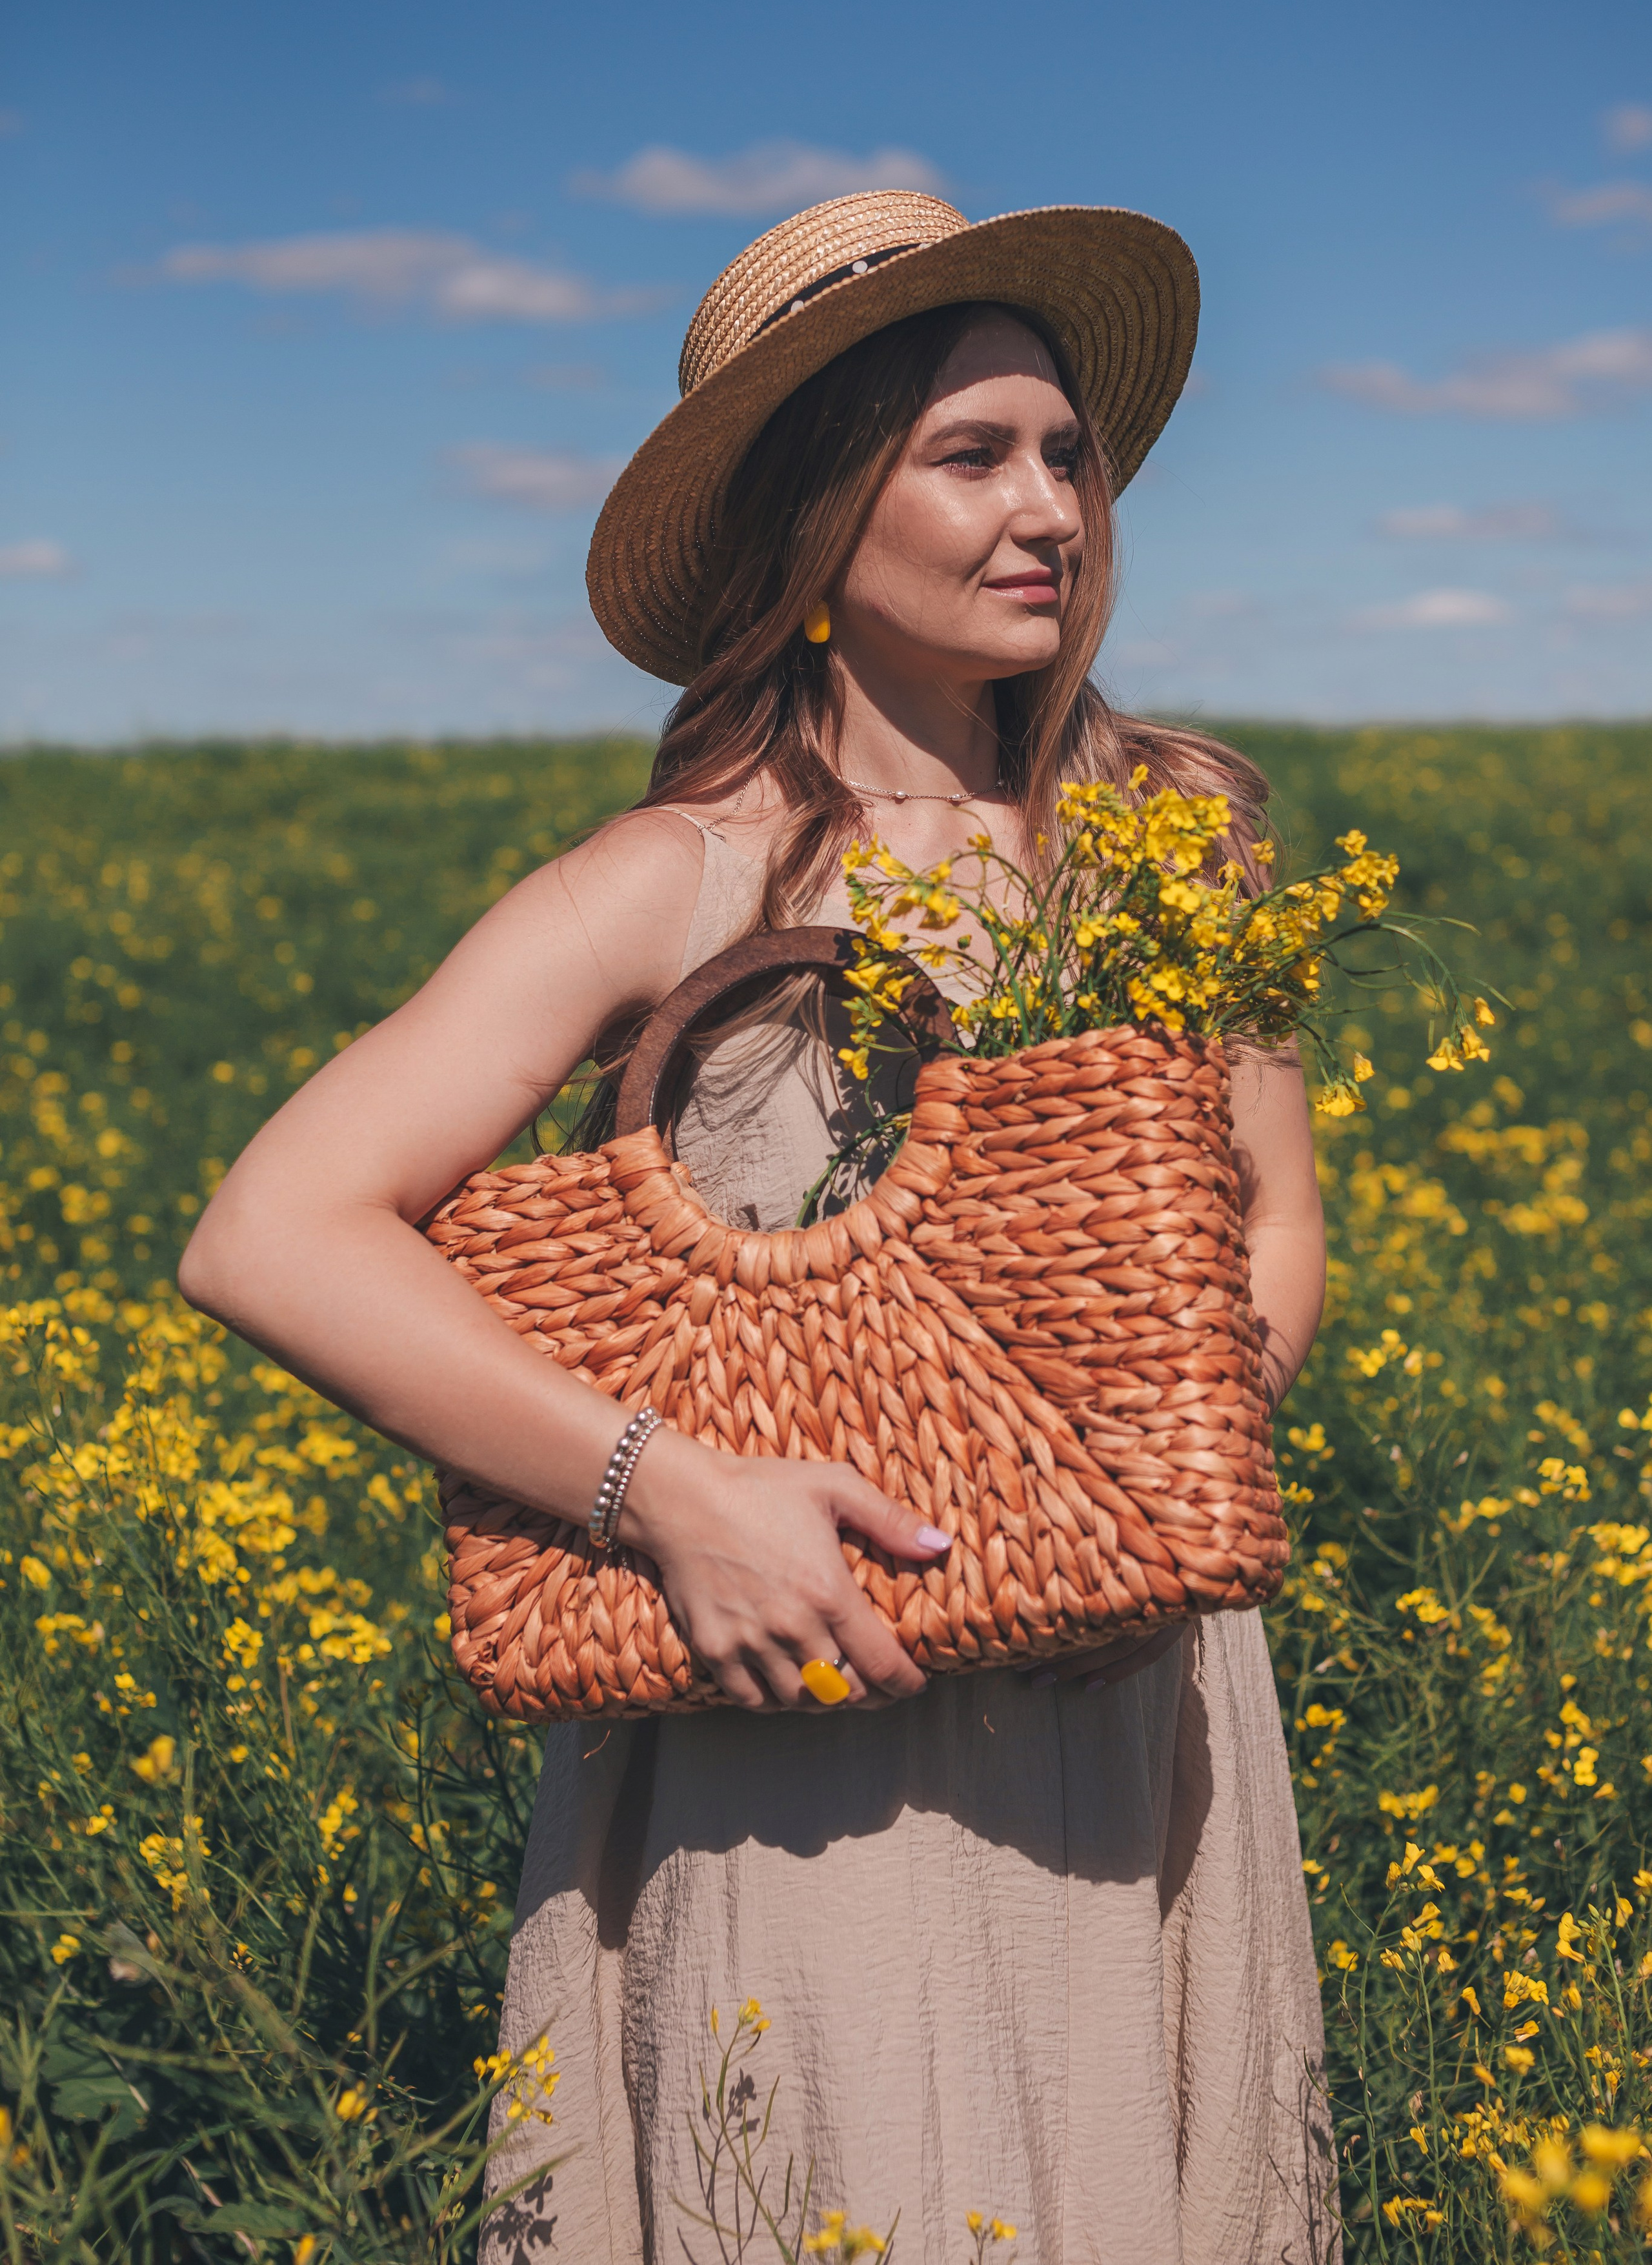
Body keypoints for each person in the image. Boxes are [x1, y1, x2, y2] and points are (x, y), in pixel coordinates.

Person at [180, 190, 1335, 2265]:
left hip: (1151, 1694)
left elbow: (1278, 1220)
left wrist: (1141, 1459)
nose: (1050, 506)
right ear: (820, 520)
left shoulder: (1180, 834)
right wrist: (669, 1498)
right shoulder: (679, 879)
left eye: (1065, 452)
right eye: (969, 457)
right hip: (819, 1729)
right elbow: (274, 1228)